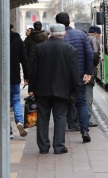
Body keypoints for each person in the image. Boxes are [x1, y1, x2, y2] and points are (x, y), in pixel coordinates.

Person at [28, 24, 80, 154]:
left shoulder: (40, 48)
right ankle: (59, 146)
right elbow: (74, 73)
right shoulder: (71, 50)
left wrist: (31, 87)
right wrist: (74, 91)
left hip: (42, 90)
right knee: (60, 118)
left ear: (50, 33)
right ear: (64, 34)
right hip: (62, 91)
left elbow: (34, 70)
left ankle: (43, 147)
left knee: (43, 119)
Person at [56, 12, 94, 143]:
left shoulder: (57, 38)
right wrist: (88, 72)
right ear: (69, 21)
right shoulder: (81, 35)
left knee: (62, 105)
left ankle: (61, 137)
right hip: (79, 75)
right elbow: (89, 54)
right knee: (81, 103)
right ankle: (84, 131)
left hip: (62, 77)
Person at [0, 24, 29, 139]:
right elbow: (24, 59)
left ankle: (9, 131)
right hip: (14, 75)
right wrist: (27, 76)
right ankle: (19, 121)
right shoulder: (17, 38)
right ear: (11, 28)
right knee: (16, 100)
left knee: (3, 104)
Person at [86, 25, 101, 127]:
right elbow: (95, 53)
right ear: (95, 33)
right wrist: (96, 63)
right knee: (88, 97)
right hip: (89, 72)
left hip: (82, 72)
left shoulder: (84, 38)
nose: (99, 36)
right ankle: (87, 119)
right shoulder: (93, 40)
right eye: (99, 34)